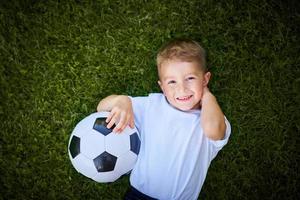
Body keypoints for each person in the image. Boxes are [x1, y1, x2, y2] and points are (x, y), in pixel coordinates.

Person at [97, 38, 231, 200]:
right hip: (138, 195)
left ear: (205, 79)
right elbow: (102, 107)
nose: (181, 88)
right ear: (162, 87)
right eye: (172, 82)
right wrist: (122, 100)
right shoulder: (152, 105)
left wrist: (207, 96)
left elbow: (214, 131)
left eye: (190, 78)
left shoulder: (210, 116)